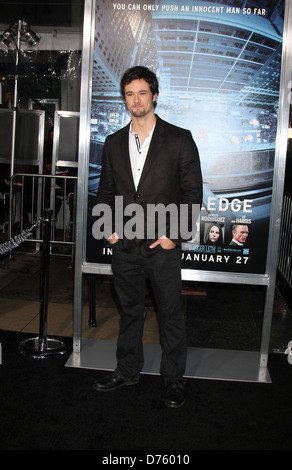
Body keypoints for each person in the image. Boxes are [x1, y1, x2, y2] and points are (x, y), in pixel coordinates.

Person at [92, 66, 202, 408]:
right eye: (129, 94)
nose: (136, 100)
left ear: (154, 95)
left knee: (170, 314)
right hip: (124, 246)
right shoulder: (112, 142)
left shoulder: (179, 138)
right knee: (129, 311)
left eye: (142, 92)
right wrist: (107, 230)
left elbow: (192, 193)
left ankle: (173, 379)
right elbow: (106, 190)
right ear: (124, 99)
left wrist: (174, 237)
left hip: (163, 248)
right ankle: (127, 370)